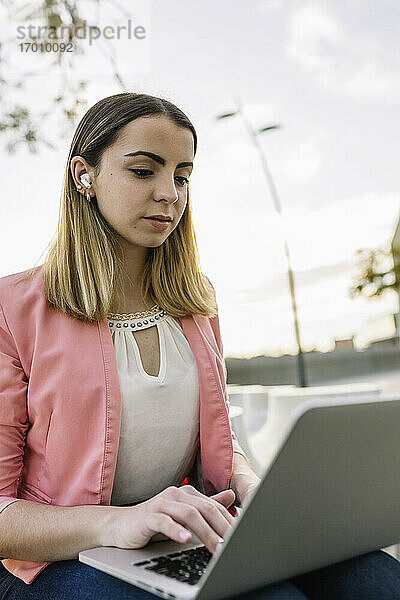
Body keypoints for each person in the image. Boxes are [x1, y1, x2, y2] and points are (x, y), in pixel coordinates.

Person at [0, 92, 399, 599]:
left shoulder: (195, 302)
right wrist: (117, 523)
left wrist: (256, 492)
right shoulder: (12, 309)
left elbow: (216, 438)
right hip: (58, 559)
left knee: (374, 577)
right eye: (145, 171)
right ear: (85, 175)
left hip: (180, 538)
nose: (169, 192)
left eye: (182, 175)